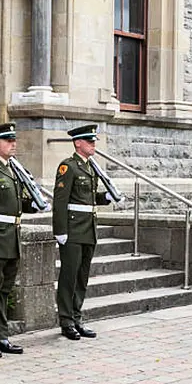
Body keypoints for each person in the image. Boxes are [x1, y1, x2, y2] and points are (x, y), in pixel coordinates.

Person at [0, 123, 49, 358]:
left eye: (14, 140)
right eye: (8, 140)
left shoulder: (13, 169)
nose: (14, 144)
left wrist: (31, 206)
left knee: (5, 290)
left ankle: (2, 336)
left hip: (11, 236)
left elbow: (14, 203)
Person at [52, 124, 113, 339]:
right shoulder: (68, 167)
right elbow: (60, 201)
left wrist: (105, 198)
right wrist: (60, 230)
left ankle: (77, 317)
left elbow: (89, 198)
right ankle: (66, 320)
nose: (93, 144)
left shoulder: (90, 167)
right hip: (73, 229)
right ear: (78, 143)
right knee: (69, 276)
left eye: (94, 141)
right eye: (89, 141)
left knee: (82, 276)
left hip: (88, 228)